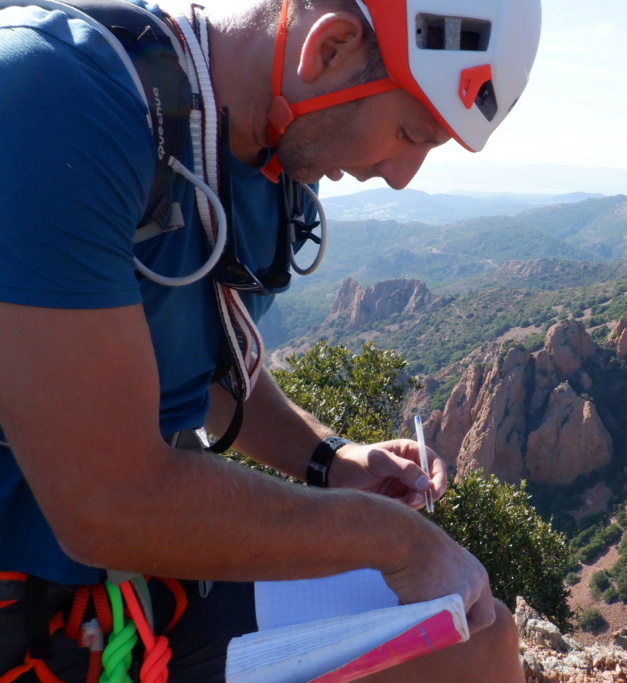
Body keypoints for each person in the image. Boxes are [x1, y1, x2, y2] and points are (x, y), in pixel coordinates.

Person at [0, 0, 541, 680]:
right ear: (332, 48)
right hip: (37, 600)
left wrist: (330, 459)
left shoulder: (258, 169)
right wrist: (392, 539)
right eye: (412, 133)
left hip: (128, 590)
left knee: (480, 635)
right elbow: (107, 501)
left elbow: (211, 365)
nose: (403, 176)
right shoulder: (56, 102)